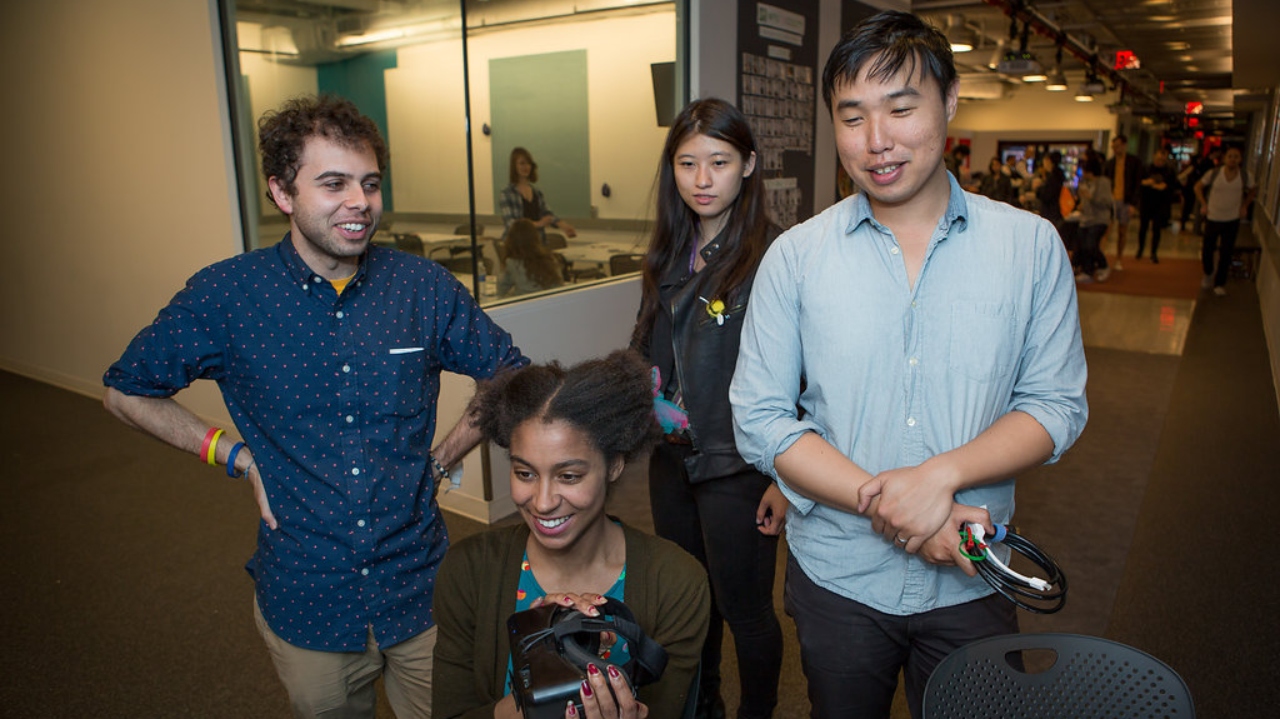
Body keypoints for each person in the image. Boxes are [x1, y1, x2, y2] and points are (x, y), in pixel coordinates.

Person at [102, 95, 529, 719]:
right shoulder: (227, 295)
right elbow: (125, 388)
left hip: (420, 585)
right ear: (282, 193)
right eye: (334, 183)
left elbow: (508, 370)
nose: (359, 202)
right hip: (307, 595)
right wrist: (236, 455)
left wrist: (443, 458)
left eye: (370, 183)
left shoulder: (421, 287)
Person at [728, 11, 1088, 719]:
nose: (877, 141)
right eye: (853, 116)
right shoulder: (796, 257)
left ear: (949, 103)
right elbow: (760, 418)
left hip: (975, 575)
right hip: (839, 576)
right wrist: (888, 499)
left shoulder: (1031, 246)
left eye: (901, 108)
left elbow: (1055, 405)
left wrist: (939, 476)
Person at [432, 350, 711, 719]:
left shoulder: (676, 582)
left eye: (569, 476)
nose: (543, 503)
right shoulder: (469, 570)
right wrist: (533, 703)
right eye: (525, 473)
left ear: (614, 465)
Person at [629, 98, 786, 719]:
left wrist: (783, 478)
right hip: (672, 464)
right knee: (690, 603)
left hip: (738, 466)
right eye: (687, 163)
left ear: (747, 165)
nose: (701, 179)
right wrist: (644, 391)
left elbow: (804, 381)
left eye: (718, 162)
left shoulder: (776, 255)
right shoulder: (669, 250)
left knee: (744, 609)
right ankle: (705, 708)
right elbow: (645, 347)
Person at [1195, 146, 1257, 296]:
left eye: (1236, 157)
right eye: (1230, 156)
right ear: (1224, 159)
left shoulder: (1245, 176)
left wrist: (1244, 206)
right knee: (1207, 249)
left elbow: (1253, 190)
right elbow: (1197, 187)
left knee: (1226, 252)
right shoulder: (1214, 174)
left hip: (1232, 219)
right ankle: (1208, 272)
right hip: (1213, 217)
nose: (1232, 159)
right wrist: (1204, 204)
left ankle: (1220, 283)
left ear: (1240, 160)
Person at [499, 147, 577, 241]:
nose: (526, 167)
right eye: (522, 163)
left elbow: (548, 215)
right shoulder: (506, 193)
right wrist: (538, 224)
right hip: (516, 246)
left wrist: (564, 226)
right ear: (514, 166)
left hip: (537, 243)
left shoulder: (537, 193)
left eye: (529, 163)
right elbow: (511, 224)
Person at [497, 218, 565, 297]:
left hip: (524, 304)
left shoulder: (511, 262)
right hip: (548, 303)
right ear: (536, 237)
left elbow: (502, 287)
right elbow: (559, 285)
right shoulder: (550, 259)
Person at [1103, 134, 1142, 270]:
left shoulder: (1134, 162)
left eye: (1118, 146)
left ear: (1124, 146)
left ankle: (1119, 258)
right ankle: (1103, 259)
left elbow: (1137, 184)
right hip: (1112, 201)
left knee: (1122, 231)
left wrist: (1133, 204)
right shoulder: (1110, 163)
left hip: (1126, 201)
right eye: (1114, 147)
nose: (1115, 149)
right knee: (1106, 230)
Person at [1136, 147, 1180, 263]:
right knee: (1143, 227)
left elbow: (1173, 187)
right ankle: (1140, 249)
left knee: (1157, 229)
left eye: (1164, 156)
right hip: (1146, 202)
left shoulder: (1169, 171)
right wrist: (1147, 183)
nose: (1161, 158)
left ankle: (1153, 252)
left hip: (1160, 204)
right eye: (1160, 155)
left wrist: (1164, 187)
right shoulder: (1146, 168)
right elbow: (1139, 183)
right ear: (1155, 155)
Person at [1075, 156, 1115, 283]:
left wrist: (1091, 197)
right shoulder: (1085, 183)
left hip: (1099, 219)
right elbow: (1084, 200)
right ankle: (1087, 270)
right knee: (1082, 244)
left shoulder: (1103, 182)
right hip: (1085, 219)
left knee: (1091, 245)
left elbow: (1107, 202)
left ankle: (1103, 265)